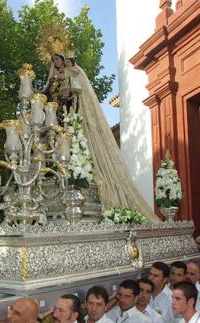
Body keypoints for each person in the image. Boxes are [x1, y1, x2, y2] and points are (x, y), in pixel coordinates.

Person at [43, 52, 157, 221]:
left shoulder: (72, 72)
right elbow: (47, 93)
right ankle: (53, 172)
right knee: (52, 143)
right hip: (54, 115)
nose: (56, 63)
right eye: (54, 61)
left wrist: (69, 89)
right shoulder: (52, 78)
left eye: (58, 59)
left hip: (68, 111)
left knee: (70, 140)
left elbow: (77, 88)